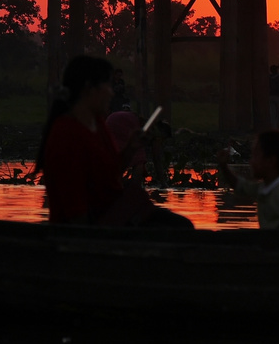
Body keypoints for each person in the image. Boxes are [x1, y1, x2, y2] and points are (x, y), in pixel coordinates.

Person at [37, 55, 192, 228]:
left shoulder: (98, 124)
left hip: (114, 215)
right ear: (90, 88)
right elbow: (75, 210)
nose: (112, 93)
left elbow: (111, 173)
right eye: (108, 86)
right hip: (95, 226)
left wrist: (130, 148)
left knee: (182, 225)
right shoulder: (66, 133)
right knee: (179, 228)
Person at [219, 130, 279, 230]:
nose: (251, 161)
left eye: (256, 156)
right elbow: (241, 187)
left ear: (271, 161)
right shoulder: (264, 188)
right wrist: (224, 167)